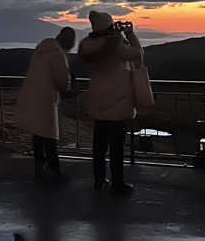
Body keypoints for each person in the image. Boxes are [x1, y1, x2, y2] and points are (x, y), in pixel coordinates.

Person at [78, 11, 142, 194]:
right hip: (117, 102)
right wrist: (130, 34)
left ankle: (99, 180)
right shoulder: (116, 45)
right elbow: (138, 54)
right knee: (116, 148)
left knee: (99, 147)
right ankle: (118, 183)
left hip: (98, 102)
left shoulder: (89, 45)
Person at [16, 27, 76, 182]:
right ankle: (54, 171)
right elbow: (62, 79)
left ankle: (39, 167)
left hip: (34, 95)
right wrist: (68, 91)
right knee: (50, 135)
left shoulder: (42, 49)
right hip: (48, 98)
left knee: (38, 133)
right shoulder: (58, 54)